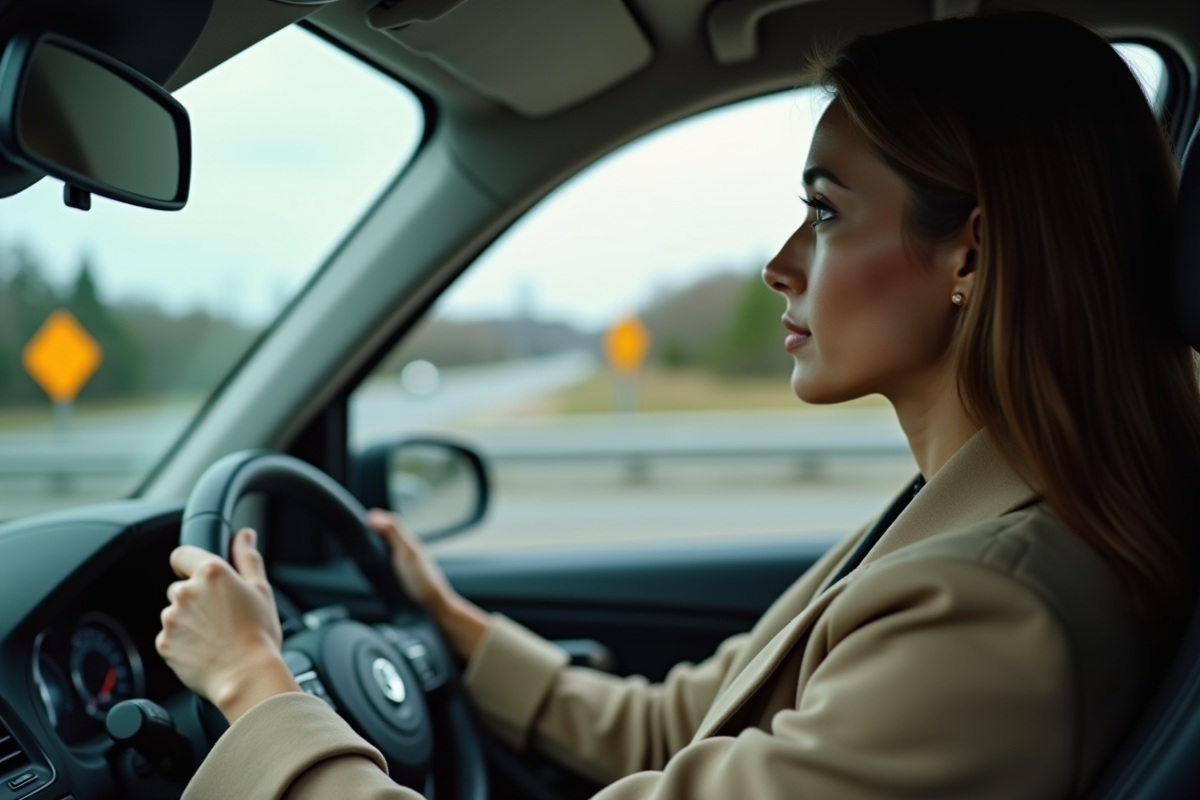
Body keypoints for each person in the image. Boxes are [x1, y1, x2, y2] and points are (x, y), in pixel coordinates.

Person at [157, 10, 1200, 799]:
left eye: (824, 212)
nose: (779, 264)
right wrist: (458, 627)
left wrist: (257, 687)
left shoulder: (986, 612)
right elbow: (687, 722)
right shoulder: (962, 516)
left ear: (969, 250)